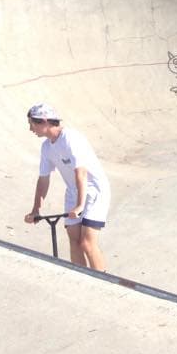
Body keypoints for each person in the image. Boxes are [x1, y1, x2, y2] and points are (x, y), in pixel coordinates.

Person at [23, 103, 111, 271]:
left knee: (87, 242)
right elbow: (43, 179)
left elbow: (81, 173)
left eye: (32, 124)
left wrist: (79, 205)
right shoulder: (47, 147)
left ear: (44, 121)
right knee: (74, 239)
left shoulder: (70, 138)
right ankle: (82, 280)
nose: (30, 129)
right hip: (73, 191)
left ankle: (104, 283)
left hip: (94, 190)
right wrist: (36, 210)